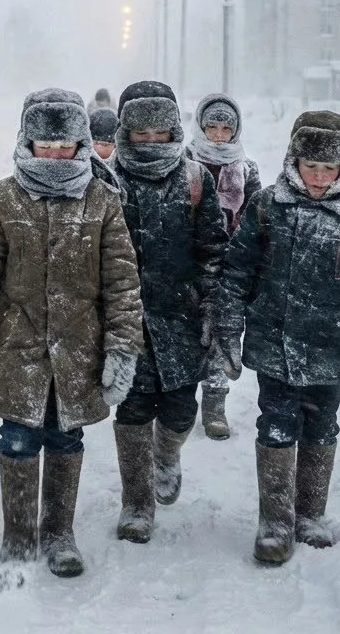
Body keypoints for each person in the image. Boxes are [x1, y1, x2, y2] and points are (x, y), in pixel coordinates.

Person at [0, 88, 143, 581]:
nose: (54, 155)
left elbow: (122, 283)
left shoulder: (102, 201)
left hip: (79, 349)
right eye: (45, 145)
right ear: (27, 142)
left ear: (81, 145)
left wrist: (122, 348)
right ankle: (18, 536)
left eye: (64, 146)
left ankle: (58, 533)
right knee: (17, 439)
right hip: (16, 347)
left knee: (65, 438)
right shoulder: (1, 199)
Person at [210, 111, 340, 565]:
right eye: (311, 166)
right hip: (273, 345)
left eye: (329, 168)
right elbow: (236, 273)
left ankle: (309, 514)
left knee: (321, 426)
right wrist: (227, 331)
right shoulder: (266, 207)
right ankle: (274, 522)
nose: (319, 176)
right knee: (275, 424)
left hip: (329, 348)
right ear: (294, 161)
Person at [110, 80, 228, 544]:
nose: (151, 142)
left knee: (180, 412)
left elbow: (213, 251)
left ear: (174, 131)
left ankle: (167, 453)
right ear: (126, 132)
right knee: (133, 411)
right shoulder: (107, 180)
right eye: (142, 134)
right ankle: (136, 503)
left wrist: (212, 308)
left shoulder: (195, 179)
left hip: (181, 318)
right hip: (127, 319)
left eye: (160, 134)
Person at [185, 93, 262, 440]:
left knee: (220, 332)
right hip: (190, 263)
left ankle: (215, 405)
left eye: (226, 128)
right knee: (187, 332)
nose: (218, 135)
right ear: (201, 127)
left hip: (229, 265)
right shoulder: (184, 162)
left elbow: (256, 218)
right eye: (212, 127)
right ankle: (181, 402)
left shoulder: (246, 169)